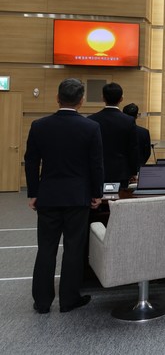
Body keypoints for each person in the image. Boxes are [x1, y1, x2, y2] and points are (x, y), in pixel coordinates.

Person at [25, 78, 104, 314]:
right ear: (81, 101)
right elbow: (96, 164)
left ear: (57, 98)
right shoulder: (91, 127)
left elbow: (31, 162)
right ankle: (69, 299)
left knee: (46, 248)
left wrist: (33, 192)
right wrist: (97, 193)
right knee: (73, 248)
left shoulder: (39, 125)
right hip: (78, 196)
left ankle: (42, 301)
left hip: (48, 195)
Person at [88, 82, 138, 189]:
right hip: (122, 172)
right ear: (121, 99)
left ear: (103, 98)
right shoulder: (129, 121)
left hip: (98, 170)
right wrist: (134, 171)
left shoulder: (92, 119)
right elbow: (132, 148)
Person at [122, 103, 152, 167]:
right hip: (139, 167)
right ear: (137, 116)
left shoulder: (118, 131)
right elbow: (147, 153)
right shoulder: (144, 132)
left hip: (121, 168)